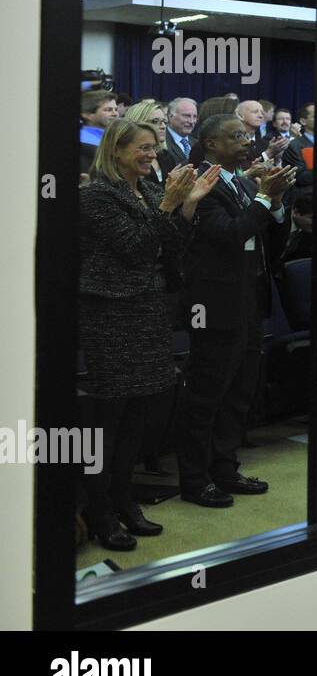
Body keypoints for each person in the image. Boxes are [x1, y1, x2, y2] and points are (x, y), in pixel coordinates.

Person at [78, 120, 221, 549]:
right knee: (110, 420)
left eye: (154, 148)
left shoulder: (154, 191)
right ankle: (99, 510)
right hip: (111, 314)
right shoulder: (95, 196)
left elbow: (172, 248)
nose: (151, 154)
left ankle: (125, 502)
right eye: (142, 147)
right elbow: (136, 247)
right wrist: (168, 208)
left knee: (138, 419)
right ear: (116, 151)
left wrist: (188, 206)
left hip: (150, 310)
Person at [175, 114, 295, 507]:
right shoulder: (201, 184)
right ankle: (195, 480)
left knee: (238, 394)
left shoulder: (239, 181)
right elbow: (230, 234)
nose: (246, 141)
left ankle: (224, 469)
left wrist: (274, 203)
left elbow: (265, 238)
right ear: (210, 143)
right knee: (207, 396)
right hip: (213, 306)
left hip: (247, 301)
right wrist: (262, 198)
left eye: (246, 135)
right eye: (235, 136)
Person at [122, 100, 170, 183]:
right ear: (138, 123)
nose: (163, 126)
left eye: (164, 122)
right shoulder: (129, 159)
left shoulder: (167, 156)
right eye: (155, 121)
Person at [79, 89, 119, 173]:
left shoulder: (112, 137)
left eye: (116, 109)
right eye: (108, 110)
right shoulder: (84, 142)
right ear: (87, 114)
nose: (115, 114)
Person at [162, 97, 198, 173]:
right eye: (186, 116)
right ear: (170, 116)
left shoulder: (197, 143)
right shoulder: (161, 142)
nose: (192, 121)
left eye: (194, 116)